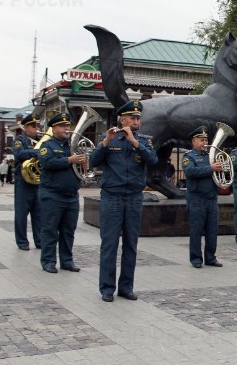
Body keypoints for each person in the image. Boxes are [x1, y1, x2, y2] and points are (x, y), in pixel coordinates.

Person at [89, 100, 158, 303]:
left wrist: (135, 143)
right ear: (122, 119)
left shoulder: (144, 141)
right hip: (112, 197)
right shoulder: (109, 138)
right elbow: (92, 161)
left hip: (134, 197)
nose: (137, 121)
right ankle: (107, 288)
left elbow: (153, 160)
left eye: (138, 118)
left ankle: (126, 287)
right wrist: (105, 143)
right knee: (109, 244)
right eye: (133, 118)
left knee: (131, 244)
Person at [38, 113, 85, 274]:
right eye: (63, 126)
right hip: (52, 194)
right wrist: (70, 160)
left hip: (71, 195)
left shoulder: (72, 146)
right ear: (54, 128)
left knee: (68, 231)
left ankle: (67, 261)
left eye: (68, 126)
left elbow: (81, 167)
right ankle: (48, 261)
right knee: (50, 229)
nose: (67, 129)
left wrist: (84, 164)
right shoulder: (47, 146)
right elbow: (47, 162)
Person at [181, 126, 224, 269]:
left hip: (212, 198)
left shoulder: (211, 156)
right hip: (196, 198)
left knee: (212, 230)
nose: (205, 142)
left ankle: (211, 257)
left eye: (206, 139)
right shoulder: (189, 156)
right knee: (196, 230)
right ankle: (196, 258)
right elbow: (191, 172)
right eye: (201, 140)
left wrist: (223, 170)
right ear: (194, 141)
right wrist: (211, 168)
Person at [13, 115, 42, 250]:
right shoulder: (20, 140)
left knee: (38, 212)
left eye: (38, 126)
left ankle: (40, 240)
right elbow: (19, 154)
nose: (37, 129)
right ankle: (22, 242)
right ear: (26, 127)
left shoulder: (41, 140)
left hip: (38, 180)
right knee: (21, 213)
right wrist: (36, 152)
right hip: (23, 180)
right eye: (34, 126)